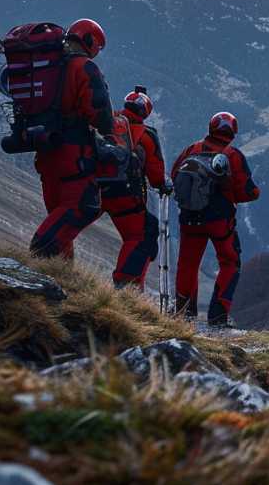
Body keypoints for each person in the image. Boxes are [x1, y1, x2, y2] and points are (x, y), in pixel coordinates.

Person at [29, 19, 113, 260]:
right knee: (81, 207)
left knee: (58, 212)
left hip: (46, 151)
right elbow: (100, 115)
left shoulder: (48, 67)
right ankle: (39, 253)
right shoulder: (83, 67)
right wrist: (108, 134)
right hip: (73, 153)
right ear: (90, 41)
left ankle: (61, 275)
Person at [171, 111, 259, 327]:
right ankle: (218, 316)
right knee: (230, 262)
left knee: (188, 264)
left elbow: (174, 175)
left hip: (189, 217)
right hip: (219, 220)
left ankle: (184, 314)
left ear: (211, 128)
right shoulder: (232, 155)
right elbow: (249, 192)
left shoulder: (192, 150)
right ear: (233, 132)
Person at [96, 90, 169, 288]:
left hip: (95, 188)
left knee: (74, 221)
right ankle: (126, 285)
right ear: (145, 112)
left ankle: (54, 259)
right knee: (142, 234)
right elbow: (155, 177)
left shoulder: (106, 122)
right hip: (125, 195)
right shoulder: (146, 135)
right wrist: (164, 185)